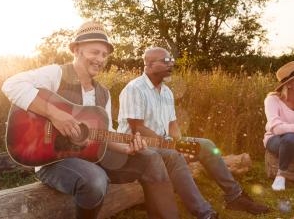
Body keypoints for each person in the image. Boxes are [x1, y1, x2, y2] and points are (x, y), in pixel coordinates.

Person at [2, 22, 180, 219]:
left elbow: (105, 134)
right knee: (95, 180)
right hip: (52, 159)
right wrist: (55, 114)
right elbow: (11, 85)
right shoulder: (57, 74)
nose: (100, 59)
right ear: (77, 50)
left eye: (104, 55)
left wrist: (127, 147)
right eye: (95, 52)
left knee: (151, 158)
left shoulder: (102, 93)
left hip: (92, 157)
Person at [117, 47, 270, 218]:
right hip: (137, 146)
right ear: (149, 65)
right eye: (165, 61)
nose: (171, 64)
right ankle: (205, 213)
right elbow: (137, 127)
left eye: (171, 60)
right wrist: (170, 146)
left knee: (206, 145)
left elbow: (172, 123)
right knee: (173, 155)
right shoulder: (134, 89)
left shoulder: (166, 91)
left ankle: (234, 196)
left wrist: (179, 143)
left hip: (163, 142)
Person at [264, 61, 294, 191]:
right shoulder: (272, 100)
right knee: (289, 138)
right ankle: (280, 176)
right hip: (275, 140)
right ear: (290, 84)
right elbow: (277, 128)